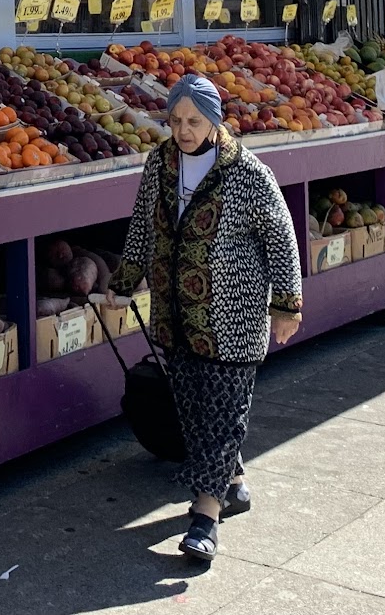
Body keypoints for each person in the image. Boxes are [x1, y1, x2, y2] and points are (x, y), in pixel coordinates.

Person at [113, 72, 302, 569]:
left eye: (193, 121)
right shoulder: (160, 162)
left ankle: (205, 515)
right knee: (194, 409)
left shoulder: (247, 172)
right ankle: (233, 480)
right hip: (177, 314)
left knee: (221, 410)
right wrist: (126, 278)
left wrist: (286, 305)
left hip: (233, 316)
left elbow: (281, 237)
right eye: (175, 120)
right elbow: (142, 222)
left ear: (215, 121)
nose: (183, 130)